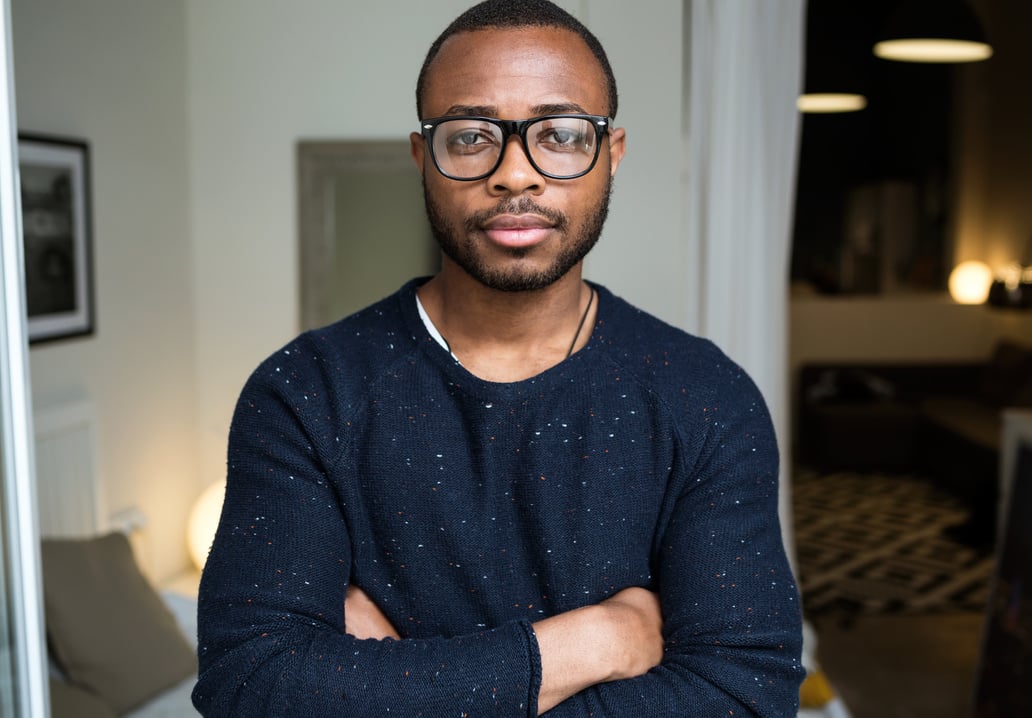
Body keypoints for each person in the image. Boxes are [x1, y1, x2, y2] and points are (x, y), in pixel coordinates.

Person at [192, 1, 804, 715]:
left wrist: (393, 679)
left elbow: (744, 696)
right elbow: (251, 684)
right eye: (473, 135)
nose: (516, 174)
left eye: (561, 133)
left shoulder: (705, 397)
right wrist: (594, 641)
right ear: (424, 158)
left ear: (612, 153)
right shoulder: (305, 391)